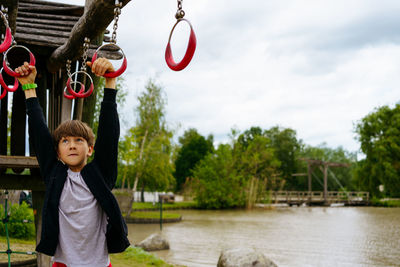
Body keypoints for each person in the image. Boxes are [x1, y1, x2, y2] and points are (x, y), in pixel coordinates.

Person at [16, 58, 130, 267]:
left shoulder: (100, 175)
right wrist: (29, 87)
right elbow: (40, 136)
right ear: (57, 152)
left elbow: (109, 136)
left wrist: (110, 83)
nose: (72, 145)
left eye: (79, 140)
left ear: (90, 150)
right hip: (63, 263)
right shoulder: (55, 174)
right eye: (65, 141)